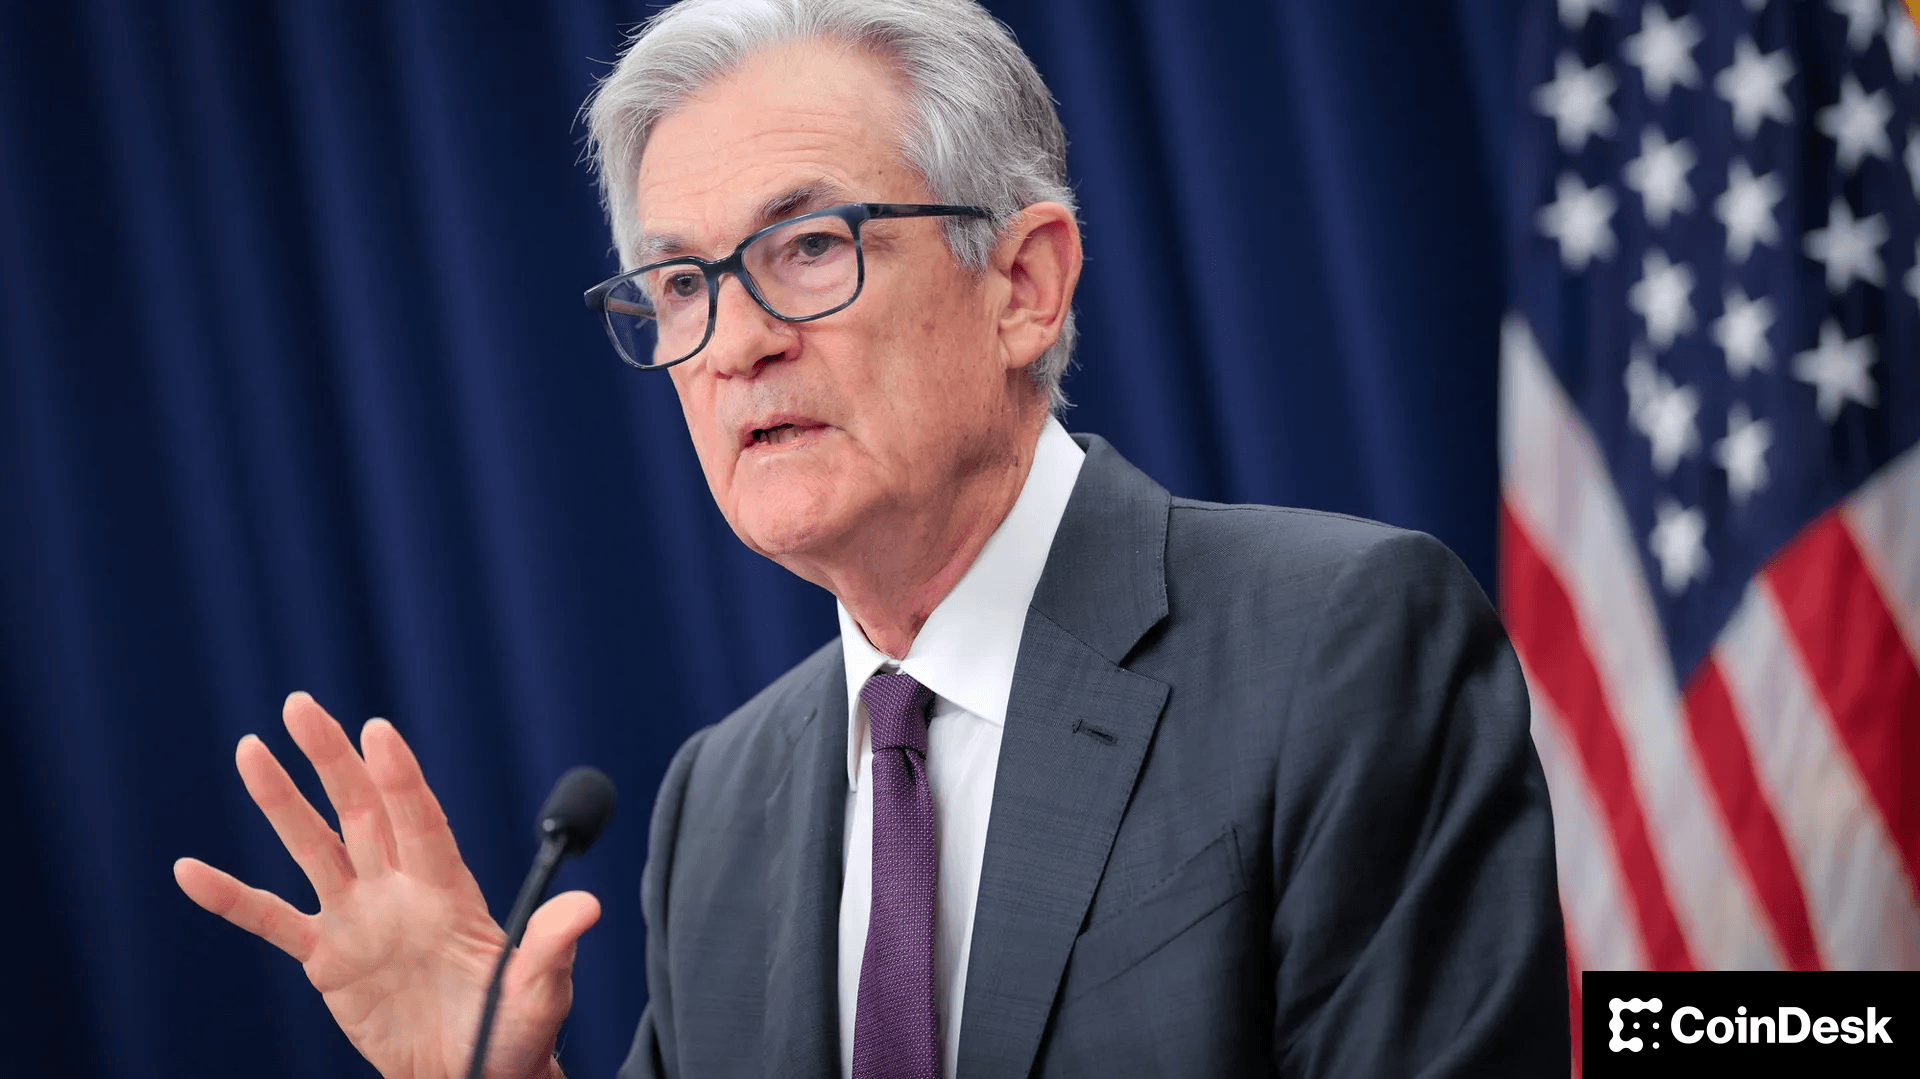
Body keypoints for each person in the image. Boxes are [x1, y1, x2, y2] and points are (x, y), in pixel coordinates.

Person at [174, 0, 1570, 1076]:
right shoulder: (718, 804)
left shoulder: (1337, 644)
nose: (735, 345)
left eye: (808, 247)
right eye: (680, 282)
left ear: (1024, 284)